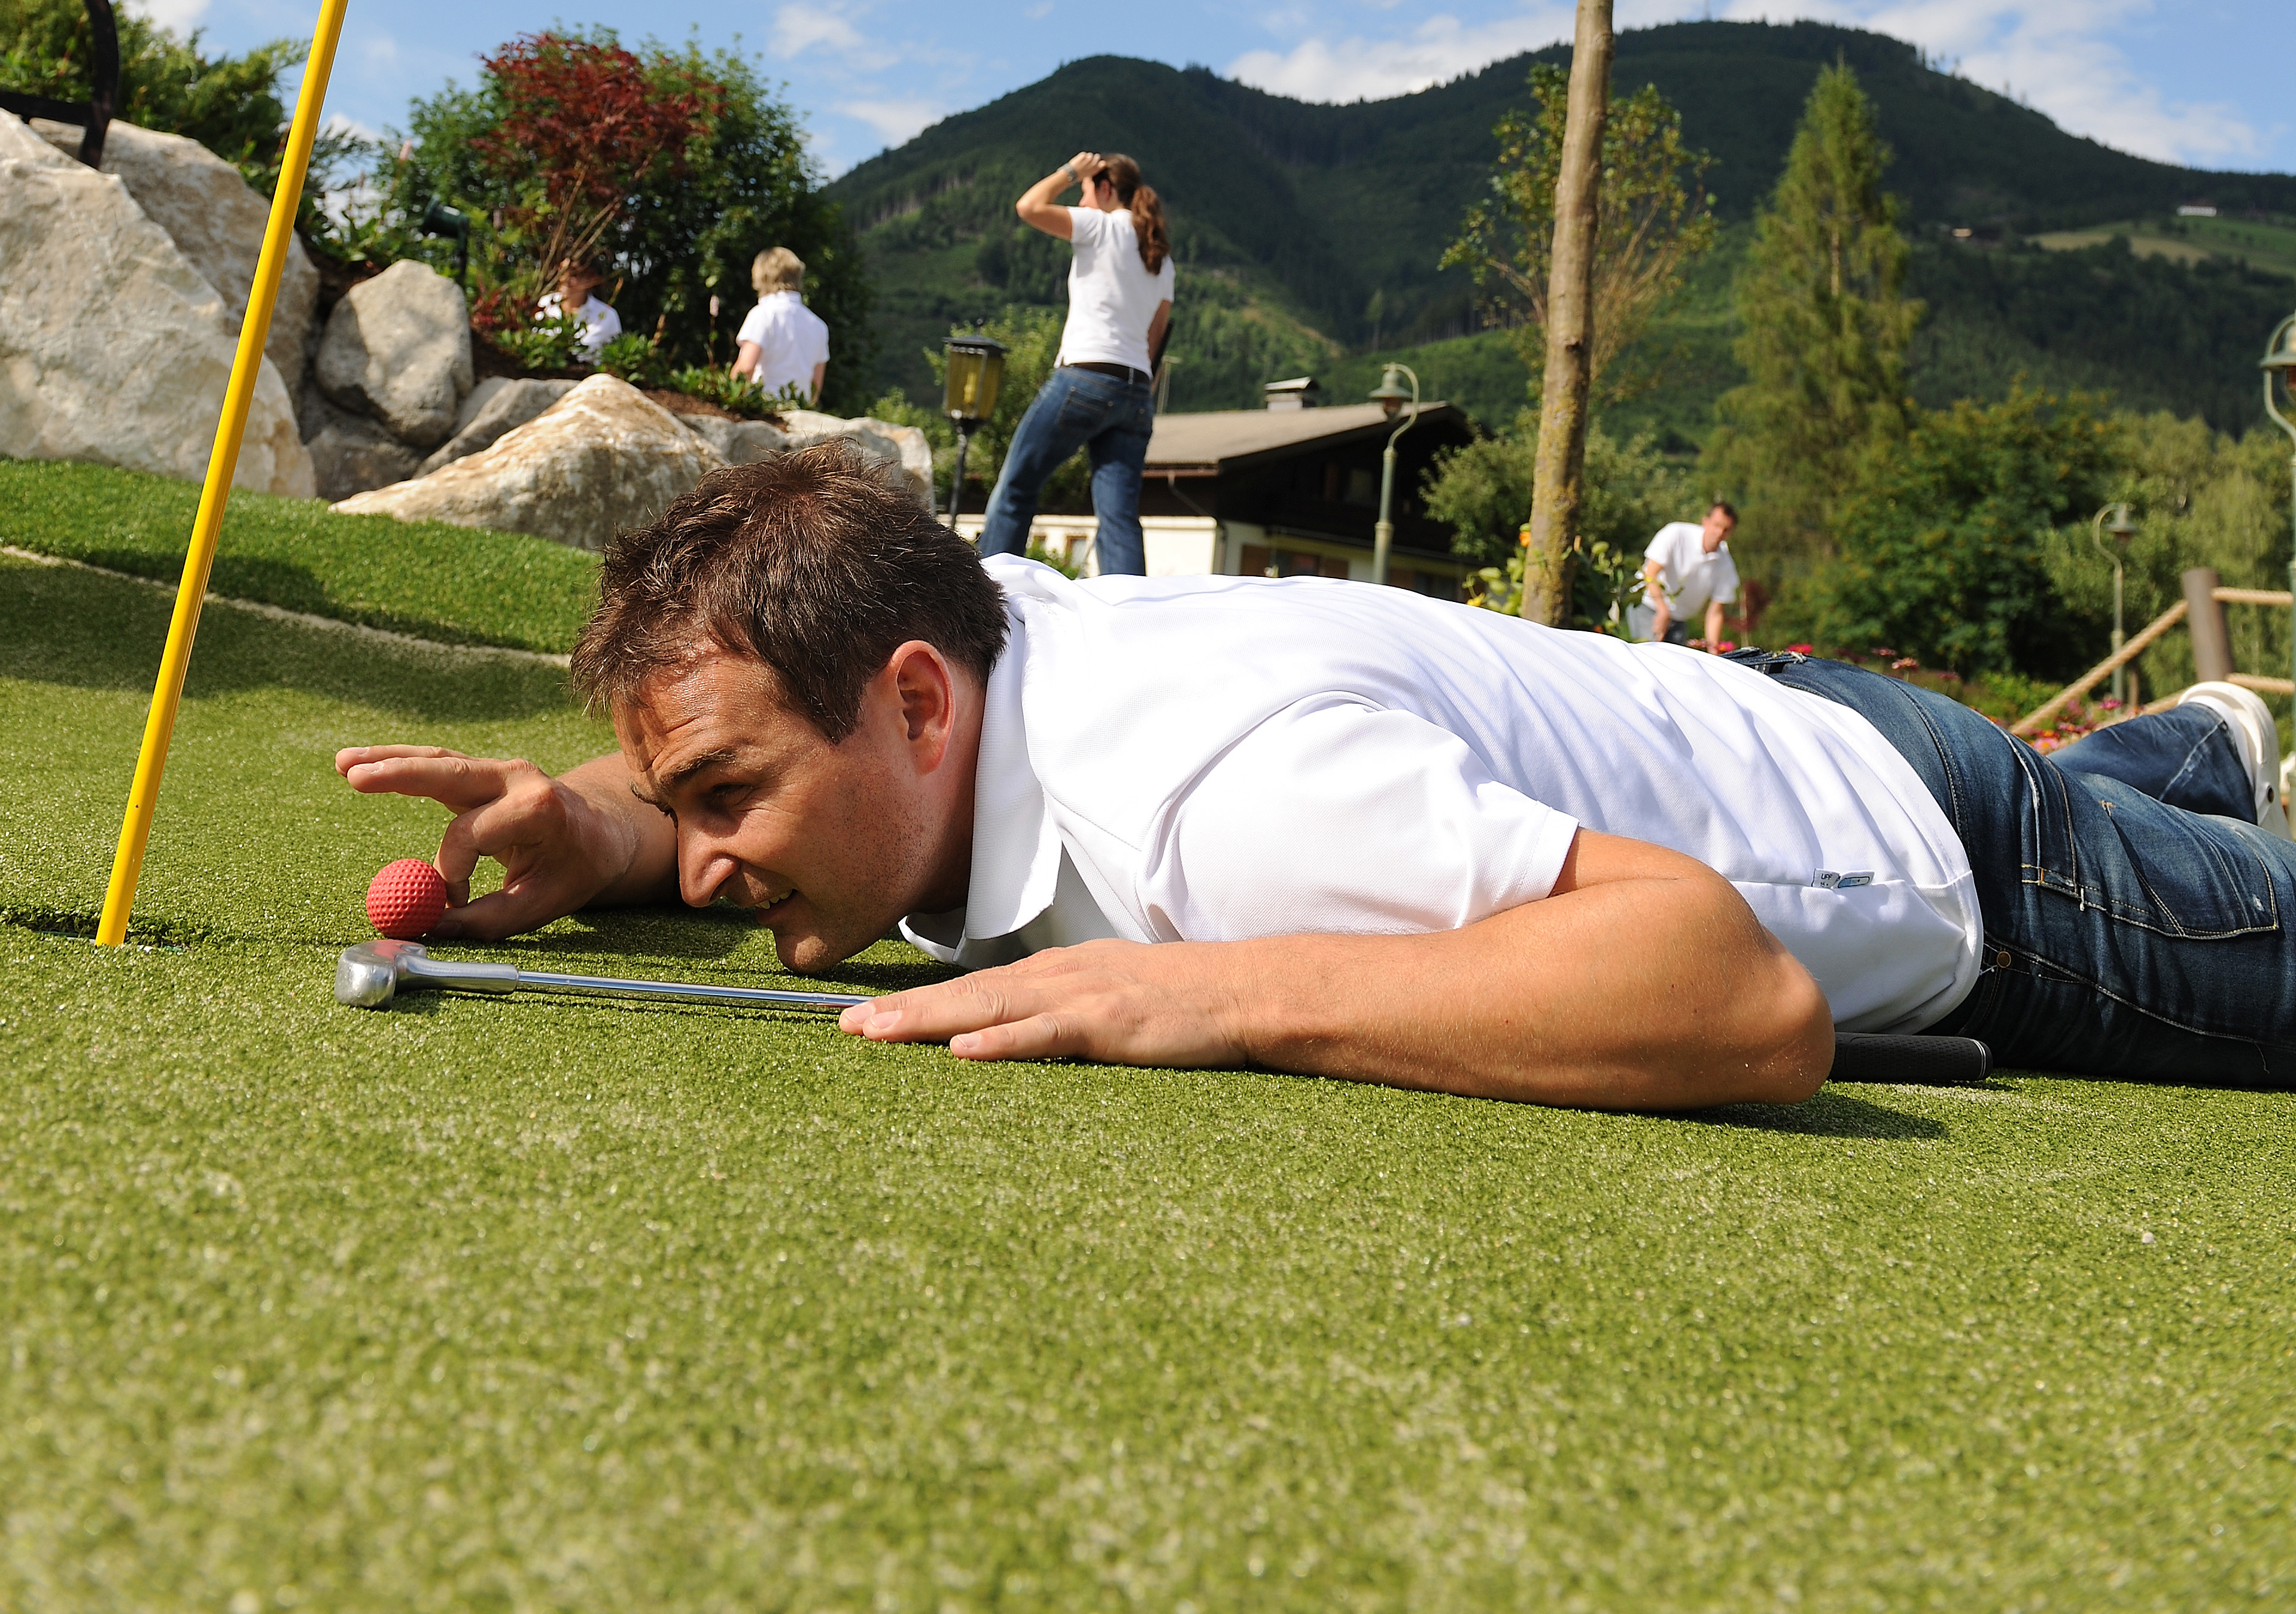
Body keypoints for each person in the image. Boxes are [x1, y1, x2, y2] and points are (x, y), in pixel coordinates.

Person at [335, 454, 2296, 1105]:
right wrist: (606, 813)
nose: (703, 864)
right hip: (1718, 711)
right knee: (2150, 776)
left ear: (917, 703)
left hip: (1950, 857)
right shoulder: (977, 618)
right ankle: (2194, 736)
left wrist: (1210, 977)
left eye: (726, 801)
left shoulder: (1224, 813)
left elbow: (1732, 983)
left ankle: (2182, 782)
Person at [976, 149, 1173, 577]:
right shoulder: (1159, 256)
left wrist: (1068, 171)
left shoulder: (1100, 226)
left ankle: (982, 601)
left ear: (1105, 189)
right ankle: (1133, 613)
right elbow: (1153, 342)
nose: (1081, 202)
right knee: (1119, 517)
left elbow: (1028, 207)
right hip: (1137, 390)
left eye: (1085, 191)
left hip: (1086, 378)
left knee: (1016, 489)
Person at [1633, 501, 1740, 649]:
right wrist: (1663, 610)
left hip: (1680, 620)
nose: (1720, 533)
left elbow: (1715, 612)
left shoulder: (1725, 564)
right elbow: (1650, 573)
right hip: (1647, 607)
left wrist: (1713, 652)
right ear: (1705, 522)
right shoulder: (1676, 534)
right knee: (1647, 660)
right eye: (1717, 525)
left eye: (1726, 529)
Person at [734, 247, 829, 402]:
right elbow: (815, 387)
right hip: (800, 412)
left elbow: (745, 369)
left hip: (764, 408)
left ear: (761, 277)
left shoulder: (763, 314)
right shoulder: (819, 326)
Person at [540, 260, 619, 357]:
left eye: (574, 274)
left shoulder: (607, 316)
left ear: (591, 279)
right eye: (562, 271)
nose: (565, 278)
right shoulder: (544, 304)